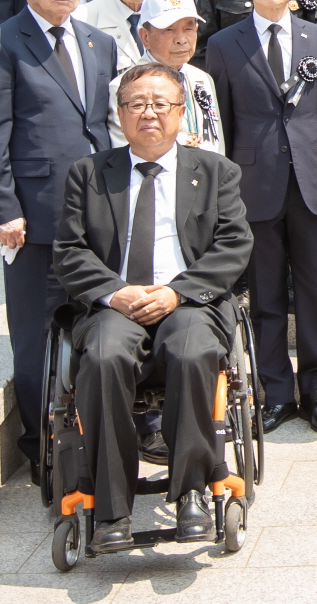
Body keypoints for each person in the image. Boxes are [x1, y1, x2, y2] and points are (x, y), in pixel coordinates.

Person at [51, 62, 252, 552]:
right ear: (119, 114)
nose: (149, 113)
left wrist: (177, 292)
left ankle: (192, 493)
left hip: (188, 302)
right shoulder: (89, 174)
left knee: (191, 351)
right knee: (103, 357)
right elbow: (69, 251)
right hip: (114, 305)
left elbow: (234, 245)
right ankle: (110, 508)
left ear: (181, 112)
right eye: (137, 104)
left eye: (161, 104)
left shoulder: (216, 172)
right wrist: (114, 291)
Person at [0, 0, 118, 476]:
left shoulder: (100, 43)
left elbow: (101, 127)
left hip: (97, 215)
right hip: (34, 219)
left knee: (97, 331)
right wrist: (3, 210)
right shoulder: (0, 44)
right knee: (36, 337)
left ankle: (96, 437)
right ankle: (42, 450)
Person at [205, 0, 317, 434]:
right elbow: (221, 124)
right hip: (253, 186)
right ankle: (277, 393)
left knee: (314, 292)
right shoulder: (223, 44)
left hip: (310, 181)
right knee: (264, 297)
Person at [105, 0, 224, 155]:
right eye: (169, 30)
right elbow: (126, 153)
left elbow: (215, 141)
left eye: (188, 29)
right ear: (145, 37)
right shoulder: (124, 86)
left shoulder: (202, 78)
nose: (181, 39)